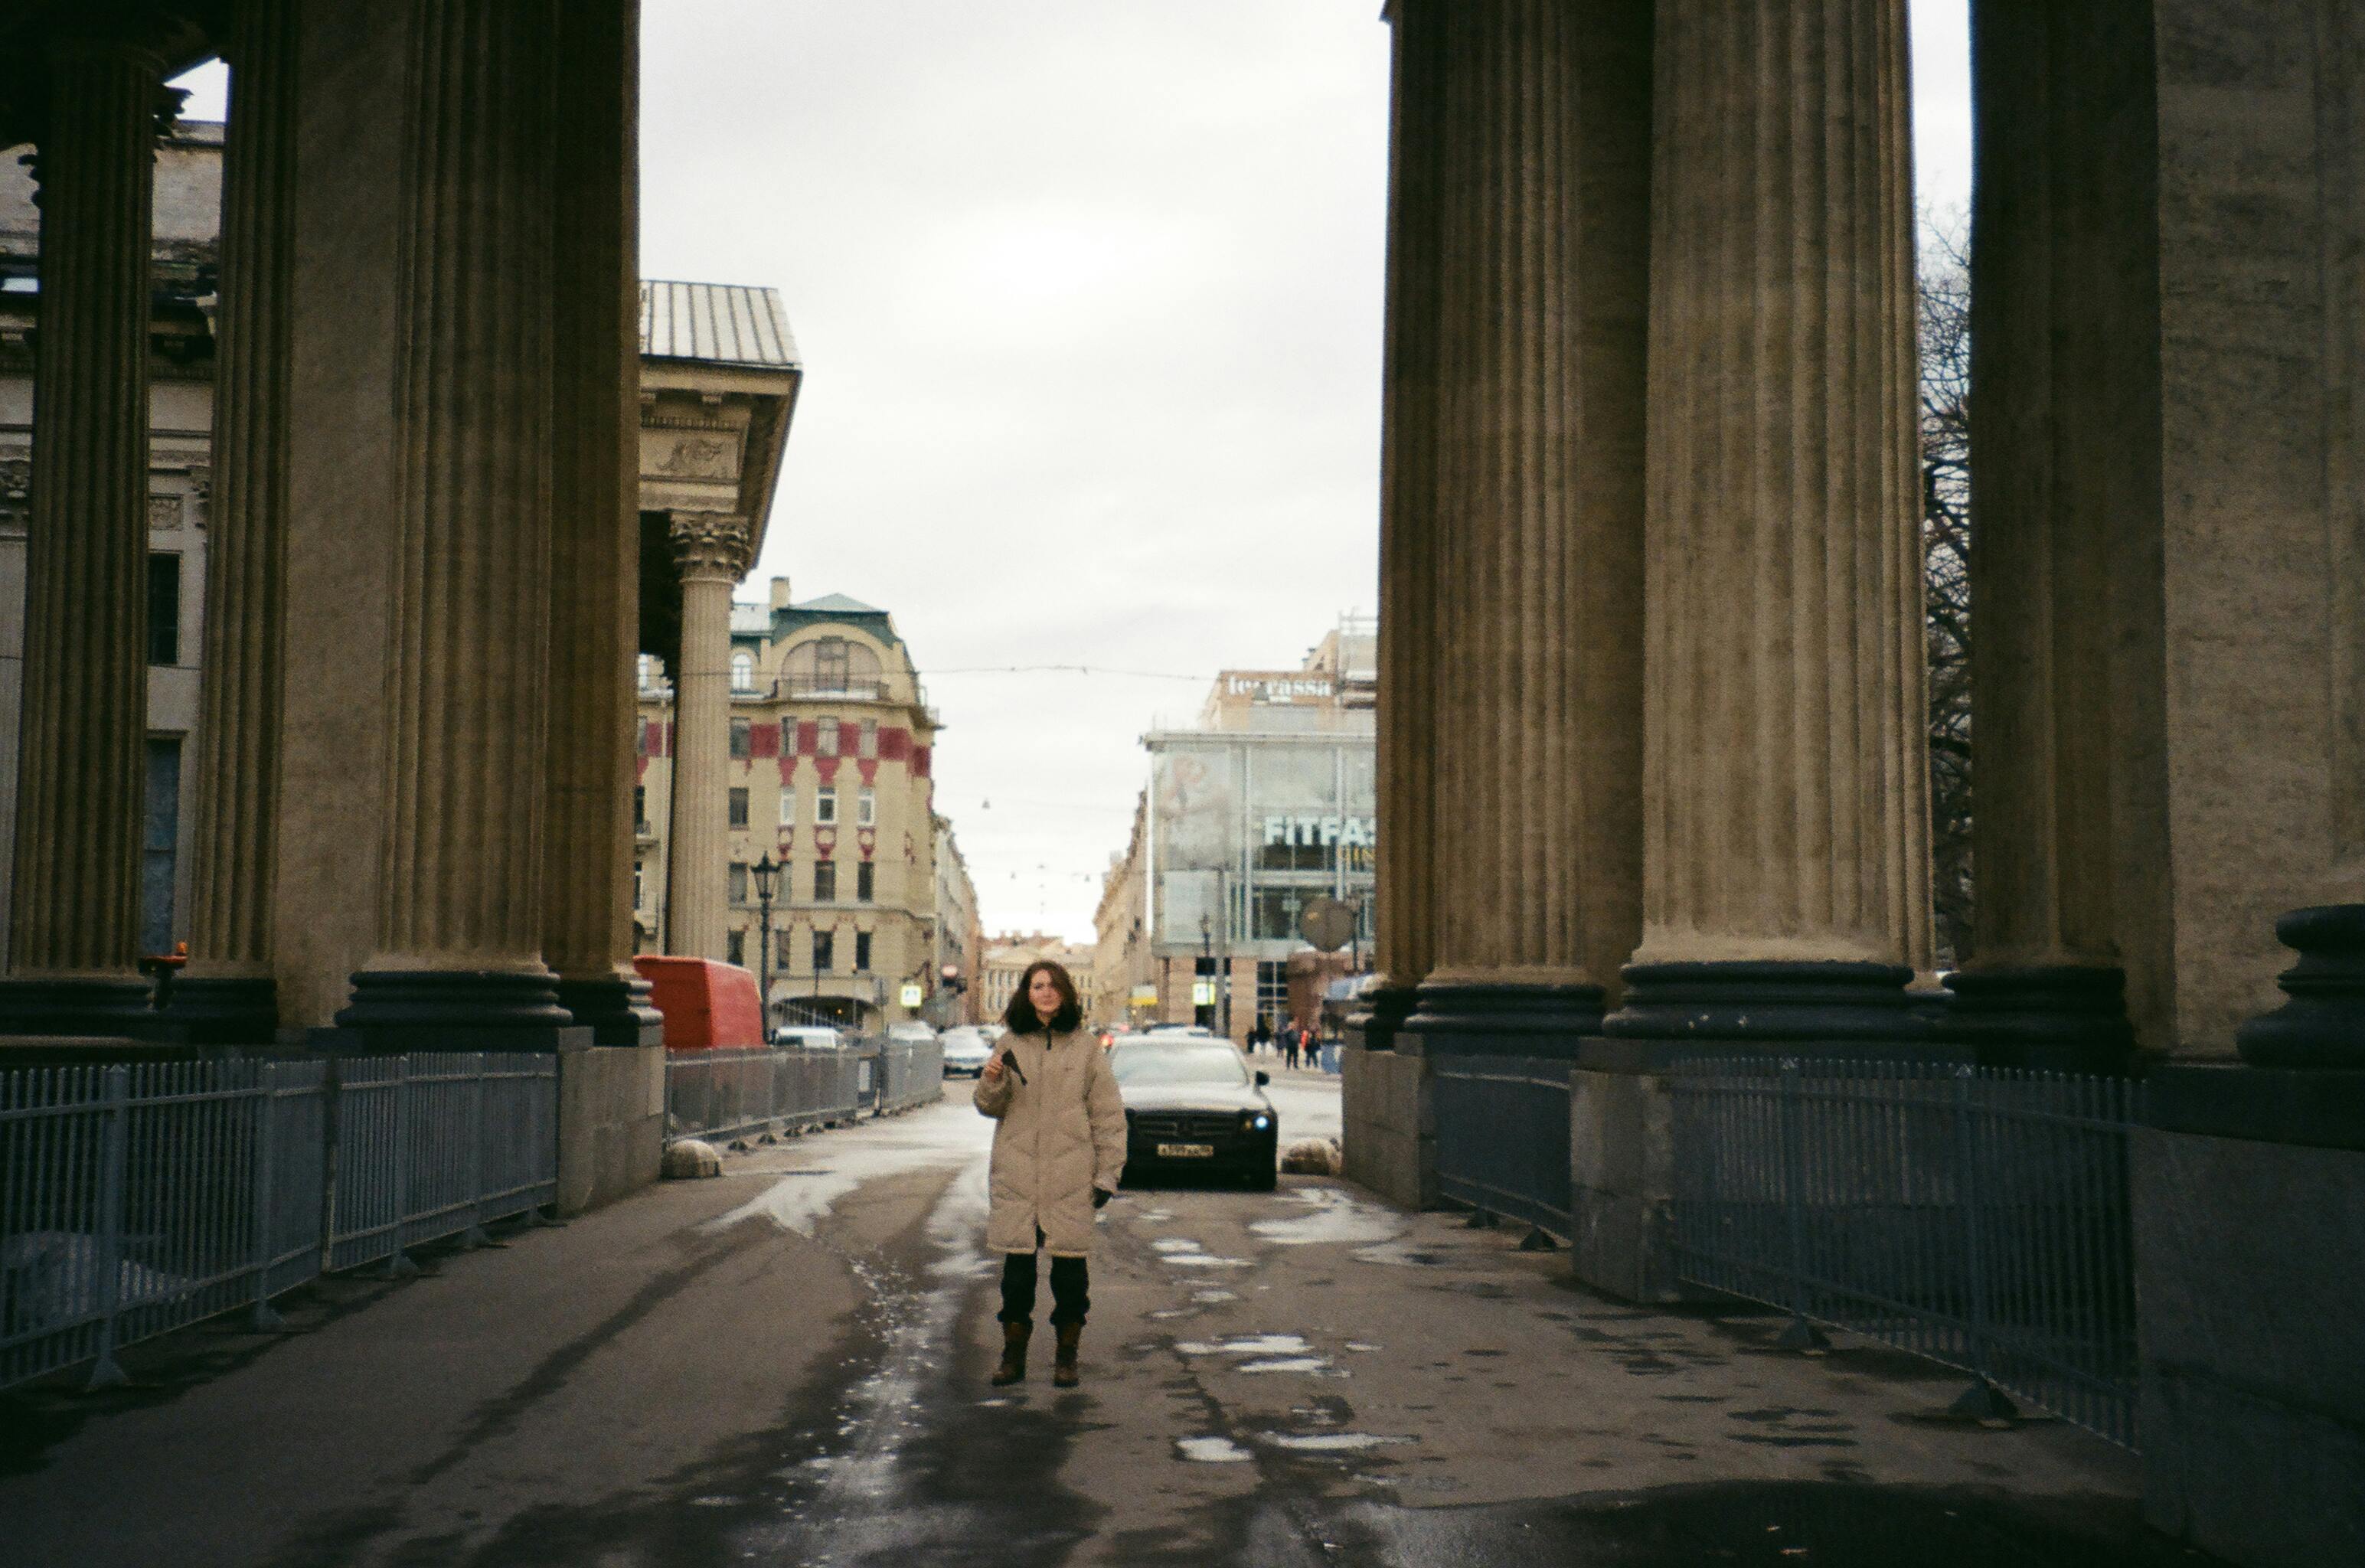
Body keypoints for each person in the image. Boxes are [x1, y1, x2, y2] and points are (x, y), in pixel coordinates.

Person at [975, 959, 1126, 1388]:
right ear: (1027, 993)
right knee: (1016, 1281)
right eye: (1037, 986)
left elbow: (1109, 1118)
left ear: (1065, 993)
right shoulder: (1010, 1043)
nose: (1045, 992)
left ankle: (1066, 1357)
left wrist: (1106, 1176)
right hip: (1018, 1179)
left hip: (1070, 1180)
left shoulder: (1085, 1048)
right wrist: (992, 1081)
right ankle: (1013, 1358)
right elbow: (989, 1106)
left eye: (1053, 985)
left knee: (1070, 1280)